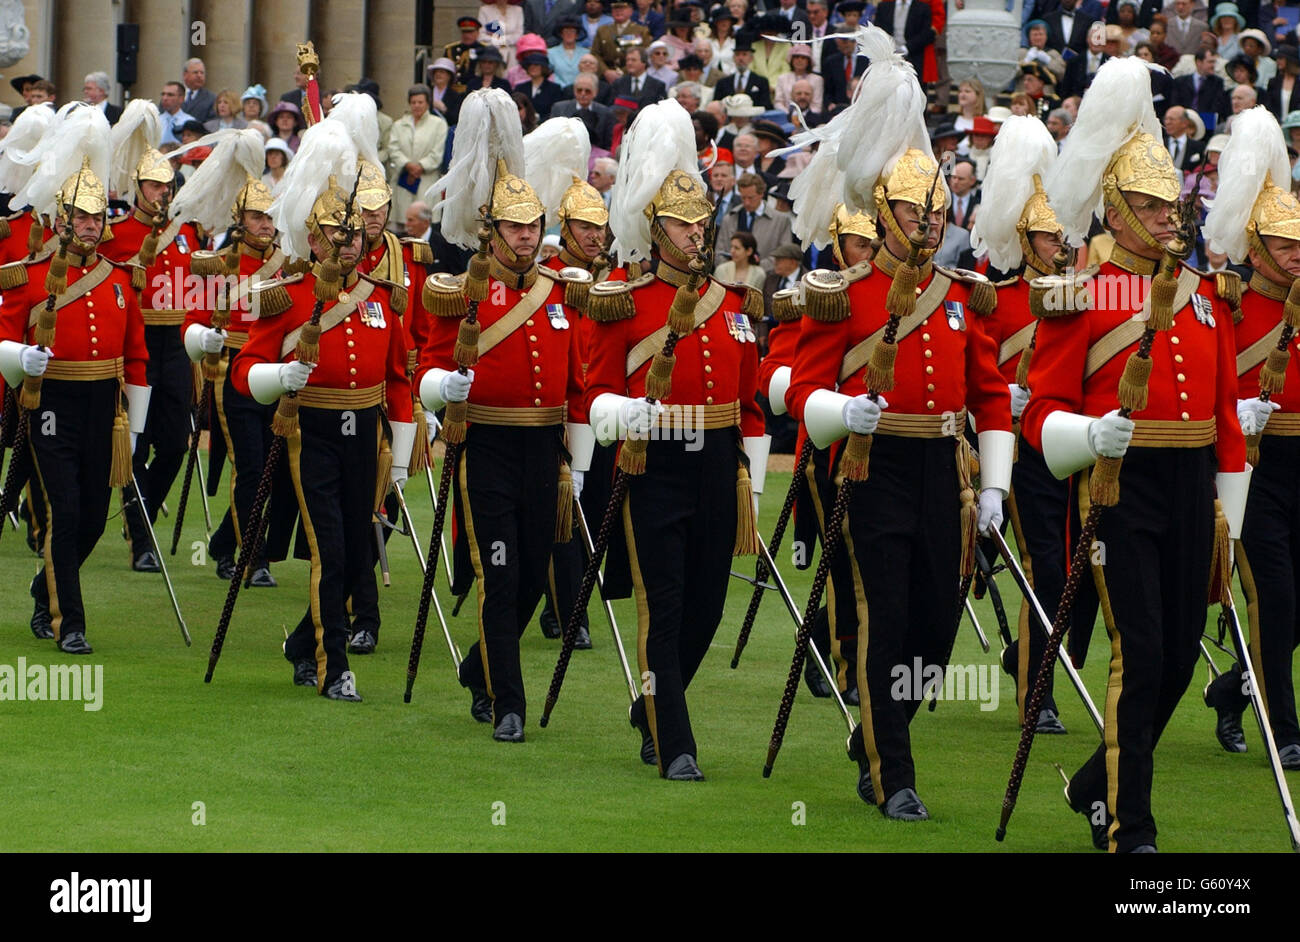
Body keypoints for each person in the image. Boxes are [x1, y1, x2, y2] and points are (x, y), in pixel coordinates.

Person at [786, 26, 1012, 820]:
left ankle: (879, 732)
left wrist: (995, 487)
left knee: (936, 629)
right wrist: (843, 411)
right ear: (883, 217)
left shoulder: (958, 294)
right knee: (882, 616)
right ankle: (895, 774)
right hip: (869, 468)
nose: (925, 224)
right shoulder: (842, 291)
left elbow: (989, 396)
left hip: (942, 478)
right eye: (913, 213)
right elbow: (800, 392)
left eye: (934, 212)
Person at [1026, 57, 1247, 852]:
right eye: (1148, 207)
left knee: (1180, 664)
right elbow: (1041, 412)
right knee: (1142, 655)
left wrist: (1235, 515)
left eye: (1168, 205)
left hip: (1191, 490)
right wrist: (1089, 436)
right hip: (1119, 489)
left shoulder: (1205, 296)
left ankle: (1094, 781)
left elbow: (1223, 417)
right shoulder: (1080, 292)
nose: (1165, 219)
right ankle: (1129, 827)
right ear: (1115, 214)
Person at [585, 99, 764, 779]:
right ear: (654, 229)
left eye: (699, 225)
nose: (694, 237)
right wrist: (625, 417)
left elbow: (747, 405)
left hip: (716, 464)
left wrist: (753, 477)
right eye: (680, 227)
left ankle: (652, 703)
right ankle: (674, 743)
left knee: (709, 603)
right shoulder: (622, 299)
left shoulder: (732, 305)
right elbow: (595, 391)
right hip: (653, 463)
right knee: (664, 603)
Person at [416, 92, 587, 741]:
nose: (524, 236)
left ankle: (479, 667)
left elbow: (575, 382)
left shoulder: (557, 290)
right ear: (491, 230)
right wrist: (445, 385)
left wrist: (578, 456)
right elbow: (426, 370)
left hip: (544, 450)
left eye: (530, 225)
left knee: (538, 575)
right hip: (484, 444)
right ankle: (507, 701)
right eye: (513, 227)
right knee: (500, 570)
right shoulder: (462, 290)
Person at [234, 118, 414, 702]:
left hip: (365, 432)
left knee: (354, 546)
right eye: (337, 237)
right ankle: (331, 665)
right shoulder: (289, 296)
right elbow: (244, 372)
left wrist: (405, 454)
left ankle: (303, 644)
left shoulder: (383, 298)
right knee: (330, 548)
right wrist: (279, 377)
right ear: (313, 241)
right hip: (309, 433)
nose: (350, 245)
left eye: (355, 237)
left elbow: (397, 381)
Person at [0, 105, 150, 653]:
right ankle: (72, 622)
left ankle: (46, 586)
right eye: (81, 217)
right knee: (64, 511)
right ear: (61, 218)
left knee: (90, 518)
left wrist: (134, 426)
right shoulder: (30, 275)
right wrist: (21, 358)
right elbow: (2, 340)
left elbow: (136, 359)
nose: (91, 225)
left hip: (101, 409)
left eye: (96, 218)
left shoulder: (119, 279)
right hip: (50, 403)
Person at [1200, 105, 1300, 771]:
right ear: (1259, 247)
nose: (1299, 256)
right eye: (1288, 246)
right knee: (1274, 599)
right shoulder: (1228, 301)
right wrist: (1240, 411)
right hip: (1255, 465)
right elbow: (1208, 381)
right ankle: (1283, 727)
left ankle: (1233, 689)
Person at [968, 115, 1075, 734]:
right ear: (1023, 239)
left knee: (1080, 573)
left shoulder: (1077, 298)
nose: (1057, 246)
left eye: (1060, 236)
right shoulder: (997, 298)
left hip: (1069, 442)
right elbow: (975, 372)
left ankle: (1027, 659)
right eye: (1046, 237)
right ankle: (1040, 693)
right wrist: (1004, 396)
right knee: (1046, 570)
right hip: (1018, 447)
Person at [176, 131, 285, 588]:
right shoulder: (216, 264)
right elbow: (191, 323)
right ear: (240, 220)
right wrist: (207, 336)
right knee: (251, 467)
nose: (265, 224)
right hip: (232, 372)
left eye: (269, 216)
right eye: (257, 217)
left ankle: (224, 541)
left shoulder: (290, 264)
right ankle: (250, 555)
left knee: (275, 469)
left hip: (277, 374)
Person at [101, 101, 204, 573]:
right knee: (135, 442)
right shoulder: (115, 234)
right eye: (154, 185)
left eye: (167, 185)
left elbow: (197, 286)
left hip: (176, 346)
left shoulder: (185, 235)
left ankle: (136, 509)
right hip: (136, 348)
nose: (162, 192)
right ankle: (142, 540)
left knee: (175, 442)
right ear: (137, 189)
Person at [389, 84, 449, 224]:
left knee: (423, 222)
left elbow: (437, 152)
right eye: (413, 102)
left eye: (420, 102)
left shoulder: (439, 124)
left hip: (426, 180)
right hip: (403, 180)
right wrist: (407, 165)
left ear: (427, 103)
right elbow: (393, 148)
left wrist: (420, 167)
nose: (417, 105)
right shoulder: (399, 125)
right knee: (403, 223)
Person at [715, 172, 794, 272]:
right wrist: (733, 270)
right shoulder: (729, 219)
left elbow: (784, 255)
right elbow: (719, 254)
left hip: (767, 281)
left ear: (761, 194)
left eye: (751, 198)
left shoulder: (781, 221)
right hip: (731, 280)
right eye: (743, 198)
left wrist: (755, 270)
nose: (747, 202)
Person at [593, 0, 653, 79]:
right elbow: (595, 53)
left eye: (622, 8)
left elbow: (645, 54)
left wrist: (622, 72)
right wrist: (606, 71)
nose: (618, 11)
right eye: (615, 9)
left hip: (631, 75)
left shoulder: (641, 31)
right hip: (606, 76)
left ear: (631, 11)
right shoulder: (603, 30)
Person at [445, 16, 492, 91]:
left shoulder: (484, 49)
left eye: (470, 32)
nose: (467, 35)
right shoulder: (451, 49)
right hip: (453, 90)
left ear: (477, 33)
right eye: (464, 32)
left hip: (476, 90)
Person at [775, 43, 824, 113]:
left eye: (803, 58)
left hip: (811, 120)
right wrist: (790, 115)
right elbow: (778, 102)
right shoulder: (782, 78)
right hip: (787, 117)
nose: (799, 60)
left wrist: (803, 117)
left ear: (808, 61)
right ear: (792, 60)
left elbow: (817, 105)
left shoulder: (817, 79)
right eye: (796, 57)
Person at [427, 58, 466, 127]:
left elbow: (456, 119)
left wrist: (444, 110)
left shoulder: (455, 96)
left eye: (442, 72)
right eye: (436, 72)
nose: (438, 74)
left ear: (449, 76)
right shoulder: (427, 93)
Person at [158, 81, 196, 145]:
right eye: (163, 94)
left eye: (170, 95)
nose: (165, 98)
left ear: (181, 98)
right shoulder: (156, 121)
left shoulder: (190, 122)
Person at [182, 58, 216, 123]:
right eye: (195, 72)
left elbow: (212, 123)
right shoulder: (171, 94)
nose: (199, 76)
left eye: (202, 73)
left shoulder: (211, 98)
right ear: (185, 75)